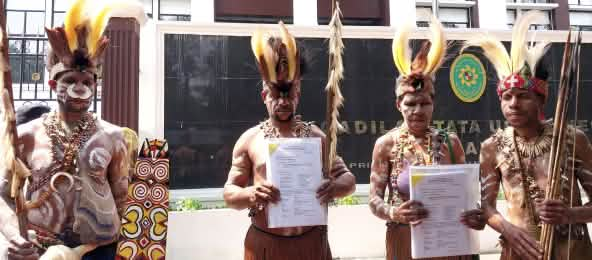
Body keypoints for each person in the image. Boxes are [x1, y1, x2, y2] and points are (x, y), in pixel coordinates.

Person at [0, 0, 142, 258]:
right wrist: (14, 237)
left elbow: (124, 199)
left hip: (101, 249)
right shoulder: (26, 136)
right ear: (54, 85)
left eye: (87, 81)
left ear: (95, 86)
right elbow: (3, 196)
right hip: (39, 250)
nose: (80, 87)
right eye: (70, 80)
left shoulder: (113, 137)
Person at [223, 22, 356, 260]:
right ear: (265, 95)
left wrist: (334, 188)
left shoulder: (317, 137)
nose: (283, 101)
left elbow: (348, 180)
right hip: (265, 245)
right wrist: (253, 193)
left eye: (289, 93)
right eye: (276, 93)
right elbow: (229, 193)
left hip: (312, 245)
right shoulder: (250, 140)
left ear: (298, 93)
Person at [465, 11, 592, 260]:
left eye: (523, 96)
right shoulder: (492, 147)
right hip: (519, 251)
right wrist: (508, 230)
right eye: (506, 97)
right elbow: (487, 206)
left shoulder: (571, 139)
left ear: (541, 99)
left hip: (572, 251)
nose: (513, 103)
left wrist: (570, 214)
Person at [368, 16, 484, 260]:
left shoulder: (451, 143)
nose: (418, 110)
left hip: (448, 244)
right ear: (399, 104)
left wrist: (475, 214)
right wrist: (394, 213)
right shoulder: (386, 144)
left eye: (424, 103)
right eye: (410, 103)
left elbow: (469, 198)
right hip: (404, 243)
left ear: (433, 104)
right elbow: (373, 200)